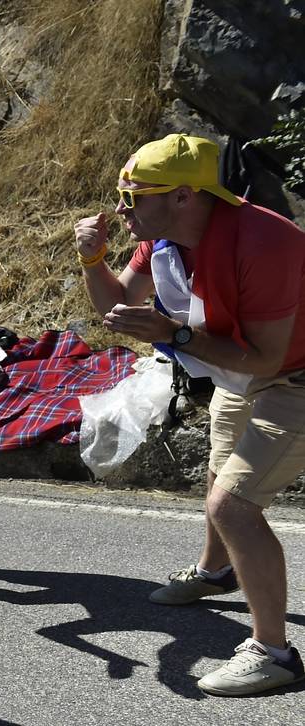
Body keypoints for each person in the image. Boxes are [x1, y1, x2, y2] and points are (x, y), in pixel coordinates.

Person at [74, 133, 305, 696]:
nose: (122, 209)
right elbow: (116, 309)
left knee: (235, 505)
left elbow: (269, 356)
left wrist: (176, 334)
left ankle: (274, 653)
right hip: (241, 373)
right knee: (217, 477)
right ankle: (216, 572)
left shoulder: (265, 241)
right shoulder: (161, 240)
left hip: (293, 377)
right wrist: (92, 259)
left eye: (133, 196)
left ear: (182, 196)